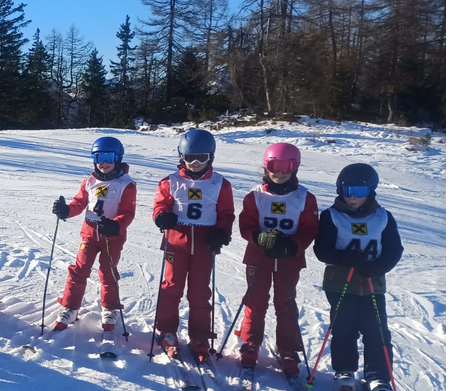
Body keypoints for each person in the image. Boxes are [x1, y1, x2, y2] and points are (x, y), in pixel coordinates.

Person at [312, 163, 404, 391]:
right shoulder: (331, 216)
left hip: (372, 282)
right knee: (344, 326)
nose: (351, 196)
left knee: (376, 329)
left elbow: (394, 250)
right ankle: (345, 369)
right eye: (346, 190)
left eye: (359, 191)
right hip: (340, 282)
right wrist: (346, 258)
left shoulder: (383, 217)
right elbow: (322, 250)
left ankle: (378, 376)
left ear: (370, 191)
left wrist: (378, 267)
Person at [234, 143, 320, 376]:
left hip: (288, 259)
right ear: (266, 166)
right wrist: (259, 237)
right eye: (274, 166)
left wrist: (292, 245)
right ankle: (250, 342)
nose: (280, 173)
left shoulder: (305, 198)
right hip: (258, 257)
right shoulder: (255, 196)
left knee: (286, 303)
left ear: (295, 168)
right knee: (255, 301)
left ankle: (288, 348)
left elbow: (309, 229)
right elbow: (245, 225)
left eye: (287, 167)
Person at [151, 128, 235, 361]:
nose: (195, 163)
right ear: (181, 157)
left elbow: (226, 213)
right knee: (171, 288)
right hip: (176, 243)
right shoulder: (170, 182)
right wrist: (162, 216)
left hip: (205, 245)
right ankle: (167, 331)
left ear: (211, 157)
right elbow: (160, 206)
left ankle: (200, 336)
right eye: (190, 158)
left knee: (199, 292)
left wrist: (222, 231)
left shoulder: (220, 184)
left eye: (201, 158)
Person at [49, 136, 137, 331]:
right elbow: (79, 203)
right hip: (89, 234)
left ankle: (110, 308)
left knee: (108, 272)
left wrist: (116, 225)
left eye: (108, 157)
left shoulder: (126, 184)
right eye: (98, 158)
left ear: (118, 158)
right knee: (79, 270)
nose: (103, 163)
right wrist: (66, 210)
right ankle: (70, 307)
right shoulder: (89, 181)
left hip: (112, 237)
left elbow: (128, 212)